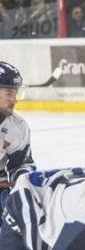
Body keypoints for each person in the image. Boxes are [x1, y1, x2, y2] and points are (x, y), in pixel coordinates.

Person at [0, 62, 35, 214]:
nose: (14, 100)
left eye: (16, 93)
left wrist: (23, 179)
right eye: (8, 93)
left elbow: (21, 164)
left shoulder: (17, 127)